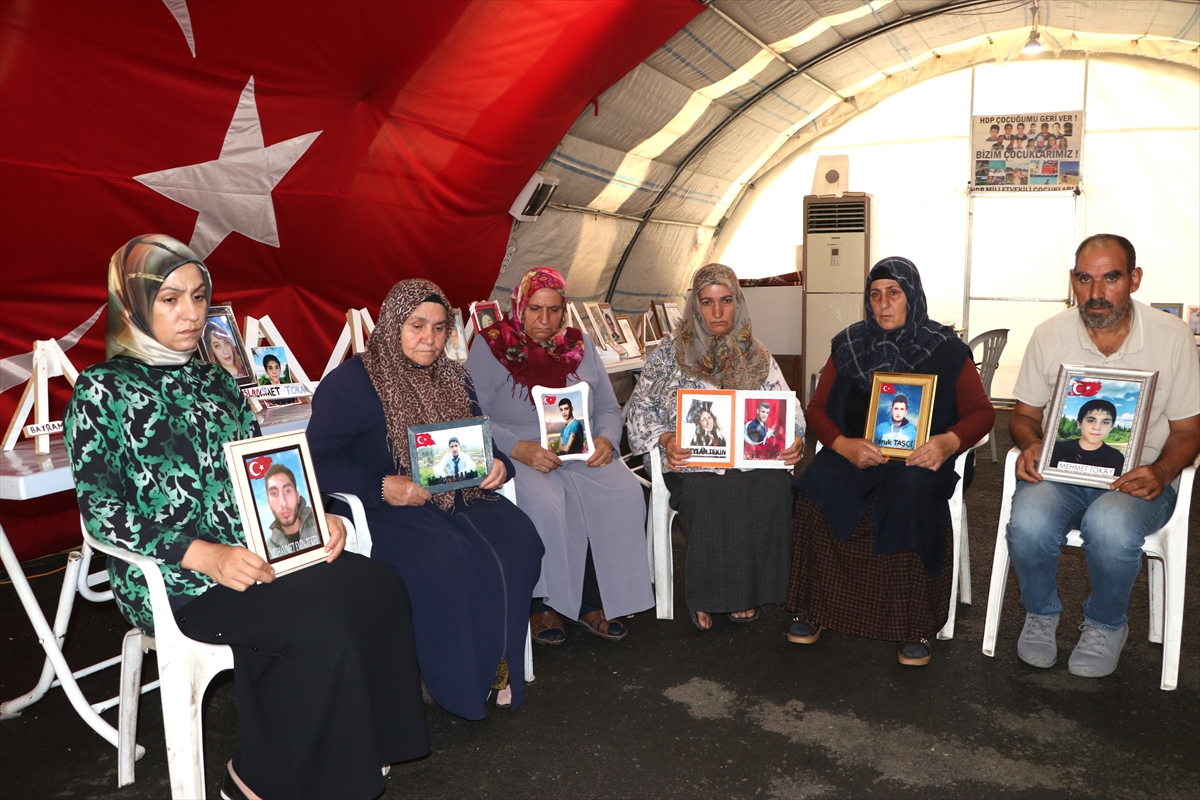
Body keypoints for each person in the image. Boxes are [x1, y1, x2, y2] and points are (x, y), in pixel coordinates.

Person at [64, 234, 428, 800]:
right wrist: (204, 555)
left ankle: (367, 746)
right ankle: (256, 780)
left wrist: (315, 518)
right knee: (320, 623)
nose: (191, 313)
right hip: (176, 579)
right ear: (132, 303)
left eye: (199, 297)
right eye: (170, 299)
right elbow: (103, 513)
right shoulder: (101, 390)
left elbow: (259, 470)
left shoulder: (217, 381)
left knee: (378, 586)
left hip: (256, 552)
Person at [308, 279, 544, 718]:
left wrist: (499, 465)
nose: (430, 339)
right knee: (443, 559)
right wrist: (381, 485)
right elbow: (317, 459)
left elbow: (481, 441)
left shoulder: (455, 376)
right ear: (392, 325)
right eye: (417, 326)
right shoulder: (352, 382)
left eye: (439, 328)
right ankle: (461, 682)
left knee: (520, 539)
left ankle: (500, 664)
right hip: (385, 508)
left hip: (461, 497)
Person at [1006, 234, 1200, 678]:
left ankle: (1106, 624)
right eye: (1084, 279)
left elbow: (1189, 431)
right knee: (1029, 522)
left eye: (1111, 278)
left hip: (1138, 478)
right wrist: (1032, 443)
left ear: (1134, 279)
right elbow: (1023, 416)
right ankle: (1040, 613)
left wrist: (1162, 471)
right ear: (1072, 281)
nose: (1096, 293)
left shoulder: (1172, 337)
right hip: (1061, 474)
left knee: (1110, 527)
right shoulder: (1049, 334)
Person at [786, 256, 994, 666]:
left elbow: (983, 413)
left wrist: (948, 442)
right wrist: (842, 445)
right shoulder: (849, 345)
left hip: (921, 459)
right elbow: (817, 409)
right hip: (858, 453)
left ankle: (912, 623)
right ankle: (815, 606)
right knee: (817, 483)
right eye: (875, 294)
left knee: (910, 491)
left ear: (912, 296)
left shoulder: (946, 349)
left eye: (894, 293)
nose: (883, 304)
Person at [467, 267, 653, 645]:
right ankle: (542, 603)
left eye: (554, 310)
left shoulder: (579, 345)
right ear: (519, 306)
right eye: (535, 308)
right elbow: (472, 413)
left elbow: (608, 407)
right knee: (546, 501)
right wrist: (518, 448)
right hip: (518, 450)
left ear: (564, 310)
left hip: (577, 447)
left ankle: (596, 600)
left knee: (624, 492)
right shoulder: (491, 346)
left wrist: (605, 439)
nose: (544, 319)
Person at [625, 263, 804, 631]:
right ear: (695, 305)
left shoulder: (756, 354)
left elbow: (789, 408)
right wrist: (666, 439)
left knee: (775, 489)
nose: (717, 311)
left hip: (749, 459)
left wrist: (794, 437)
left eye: (726, 300)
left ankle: (751, 591)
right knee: (711, 495)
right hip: (689, 459)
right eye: (707, 302)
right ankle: (708, 595)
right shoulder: (669, 353)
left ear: (738, 302)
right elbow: (639, 409)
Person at [1048, 398, 1126, 477]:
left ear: (1111, 427)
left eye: (1105, 422)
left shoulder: (1116, 458)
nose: (1097, 427)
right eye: (1091, 421)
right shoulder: (1057, 449)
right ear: (1079, 424)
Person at [264, 463, 321, 559]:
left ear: (297, 496)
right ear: (268, 502)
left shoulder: (320, 522)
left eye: (288, 491)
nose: (283, 503)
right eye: (274, 493)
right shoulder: (267, 550)